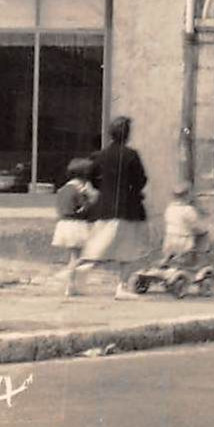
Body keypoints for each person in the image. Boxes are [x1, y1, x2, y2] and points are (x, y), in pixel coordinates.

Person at [80, 116, 150, 298]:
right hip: (128, 208)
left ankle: (83, 269)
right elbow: (141, 179)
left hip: (104, 207)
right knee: (127, 250)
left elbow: (91, 177)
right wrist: (133, 190)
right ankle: (121, 287)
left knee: (100, 243)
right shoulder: (131, 155)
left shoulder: (101, 155)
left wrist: (103, 189)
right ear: (127, 135)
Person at [52, 158, 98, 297]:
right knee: (81, 256)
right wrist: (90, 198)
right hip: (76, 225)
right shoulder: (79, 190)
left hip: (63, 224)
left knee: (74, 256)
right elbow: (85, 209)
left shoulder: (62, 189)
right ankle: (68, 278)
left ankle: (71, 285)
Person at [162, 183, 211, 266]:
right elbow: (196, 226)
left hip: (169, 241)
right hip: (183, 242)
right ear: (186, 196)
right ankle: (201, 261)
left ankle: (169, 260)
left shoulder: (169, 209)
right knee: (204, 235)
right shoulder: (188, 210)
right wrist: (205, 229)